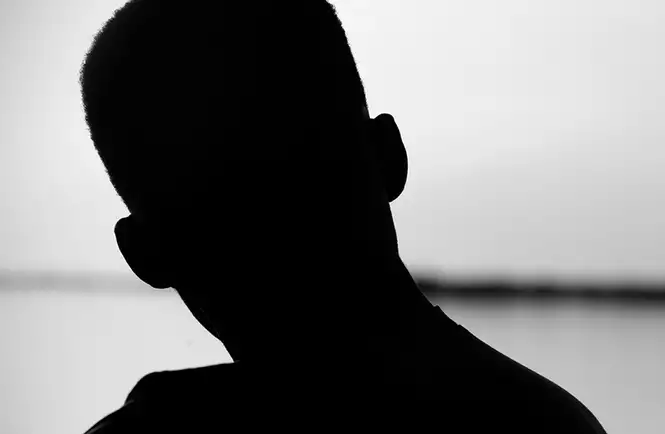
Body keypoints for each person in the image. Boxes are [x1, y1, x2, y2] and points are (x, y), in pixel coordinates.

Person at [78, 0, 608, 432]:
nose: (281, 238)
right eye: (233, 208)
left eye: (299, 171)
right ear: (389, 157)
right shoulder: (546, 425)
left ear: (146, 256)